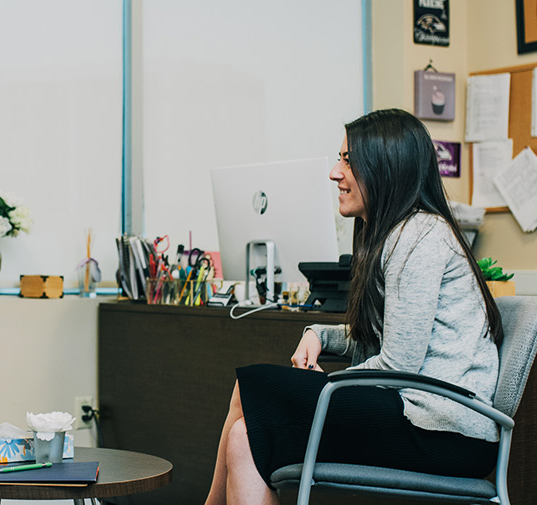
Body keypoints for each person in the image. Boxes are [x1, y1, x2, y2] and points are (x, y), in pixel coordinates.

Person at [204, 108, 505, 505]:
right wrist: (320, 335)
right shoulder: (393, 234)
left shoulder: (421, 236)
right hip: (415, 414)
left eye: (348, 161)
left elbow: (397, 365)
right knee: (244, 438)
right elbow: (388, 336)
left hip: (447, 430)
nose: (335, 173)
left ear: (385, 168)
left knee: (252, 386)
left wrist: (323, 386)